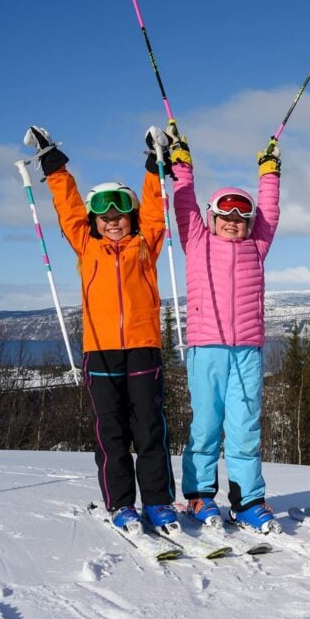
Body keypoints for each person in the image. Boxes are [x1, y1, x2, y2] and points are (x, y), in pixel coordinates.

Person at [24, 125, 177, 530]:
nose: (114, 222)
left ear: (130, 219)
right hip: (100, 348)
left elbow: (155, 210)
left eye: (121, 216)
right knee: (111, 431)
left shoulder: (145, 245)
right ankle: (121, 503)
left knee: (149, 428)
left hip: (143, 346)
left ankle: (159, 502)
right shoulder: (85, 243)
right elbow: (68, 206)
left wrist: (153, 162)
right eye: (105, 218)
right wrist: (53, 163)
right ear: (95, 222)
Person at [166, 125, 283, 533]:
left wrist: (270, 172)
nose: (234, 222)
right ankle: (199, 496)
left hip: (247, 350)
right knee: (206, 425)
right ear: (212, 218)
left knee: (245, 426)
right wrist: (182, 165)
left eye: (242, 217)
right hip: (207, 348)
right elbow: (184, 207)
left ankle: (248, 501)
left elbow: (270, 211)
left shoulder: (257, 246)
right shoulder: (197, 241)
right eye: (225, 216)